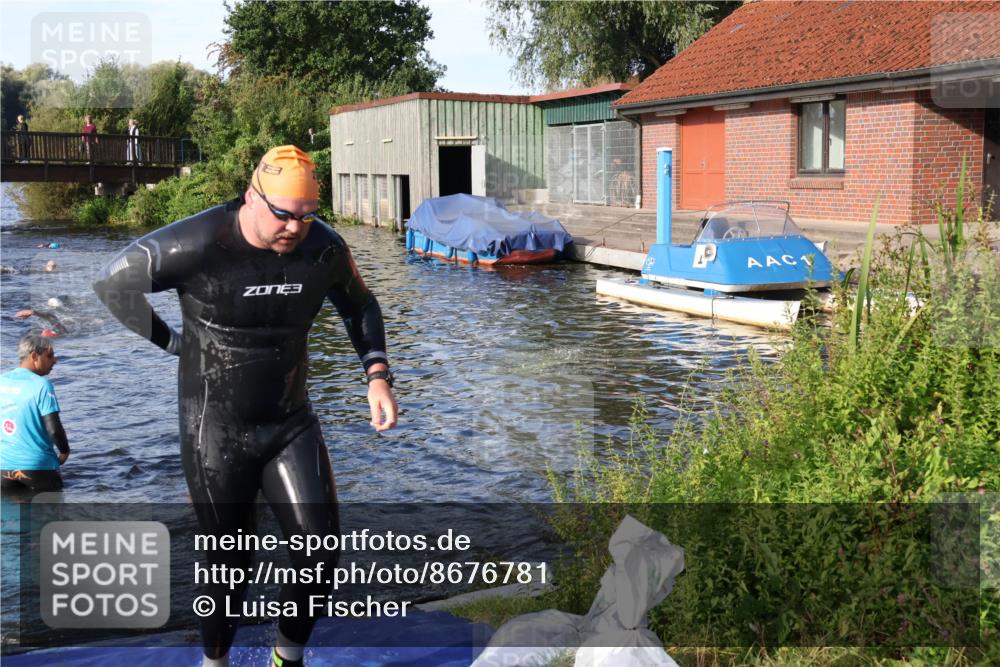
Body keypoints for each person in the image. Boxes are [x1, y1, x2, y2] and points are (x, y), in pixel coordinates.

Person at [93, 145, 397, 667]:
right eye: (282, 214)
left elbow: (360, 303)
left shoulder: (322, 249)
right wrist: (169, 342)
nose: (294, 228)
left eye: (306, 216)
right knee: (230, 562)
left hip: (289, 421)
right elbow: (113, 283)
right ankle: (216, 663)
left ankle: (287, 656)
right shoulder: (199, 242)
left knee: (320, 551)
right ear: (251, 197)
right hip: (215, 428)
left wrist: (377, 376)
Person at [0, 334, 70, 494]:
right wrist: (65, 451)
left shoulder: (1, 381)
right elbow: (53, 428)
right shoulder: (42, 385)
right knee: (48, 517)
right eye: (50, 355)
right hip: (38, 469)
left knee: (11, 517)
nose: (55, 361)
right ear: (34, 356)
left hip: (3, 468)